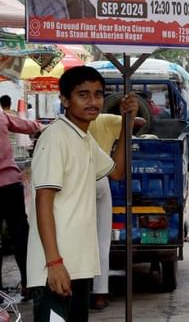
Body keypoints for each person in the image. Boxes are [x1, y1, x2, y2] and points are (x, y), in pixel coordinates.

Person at [26, 66, 130, 322]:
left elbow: (116, 172)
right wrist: (54, 263)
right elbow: (44, 200)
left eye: (98, 94)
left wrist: (126, 124)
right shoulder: (56, 137)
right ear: (64, 99)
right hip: (56, 267)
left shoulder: (83, 137)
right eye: (83, 95)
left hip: (78, 265)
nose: (93, 101)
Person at [86, 105, 145, 311]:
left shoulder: (71, 125)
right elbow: (139, 122)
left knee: (78, 240)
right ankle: (100, 295)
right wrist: (121, 132)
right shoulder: (106, 119)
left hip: (78, 183)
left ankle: (79, 290)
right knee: (102, 240)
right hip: (101, 180)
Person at [0, 98, 41, 299]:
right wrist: (42, 127)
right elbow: (30, 126)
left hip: (9, 184)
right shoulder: (2, 116)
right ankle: (29, 283)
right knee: (20, 236)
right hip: (9, 184)